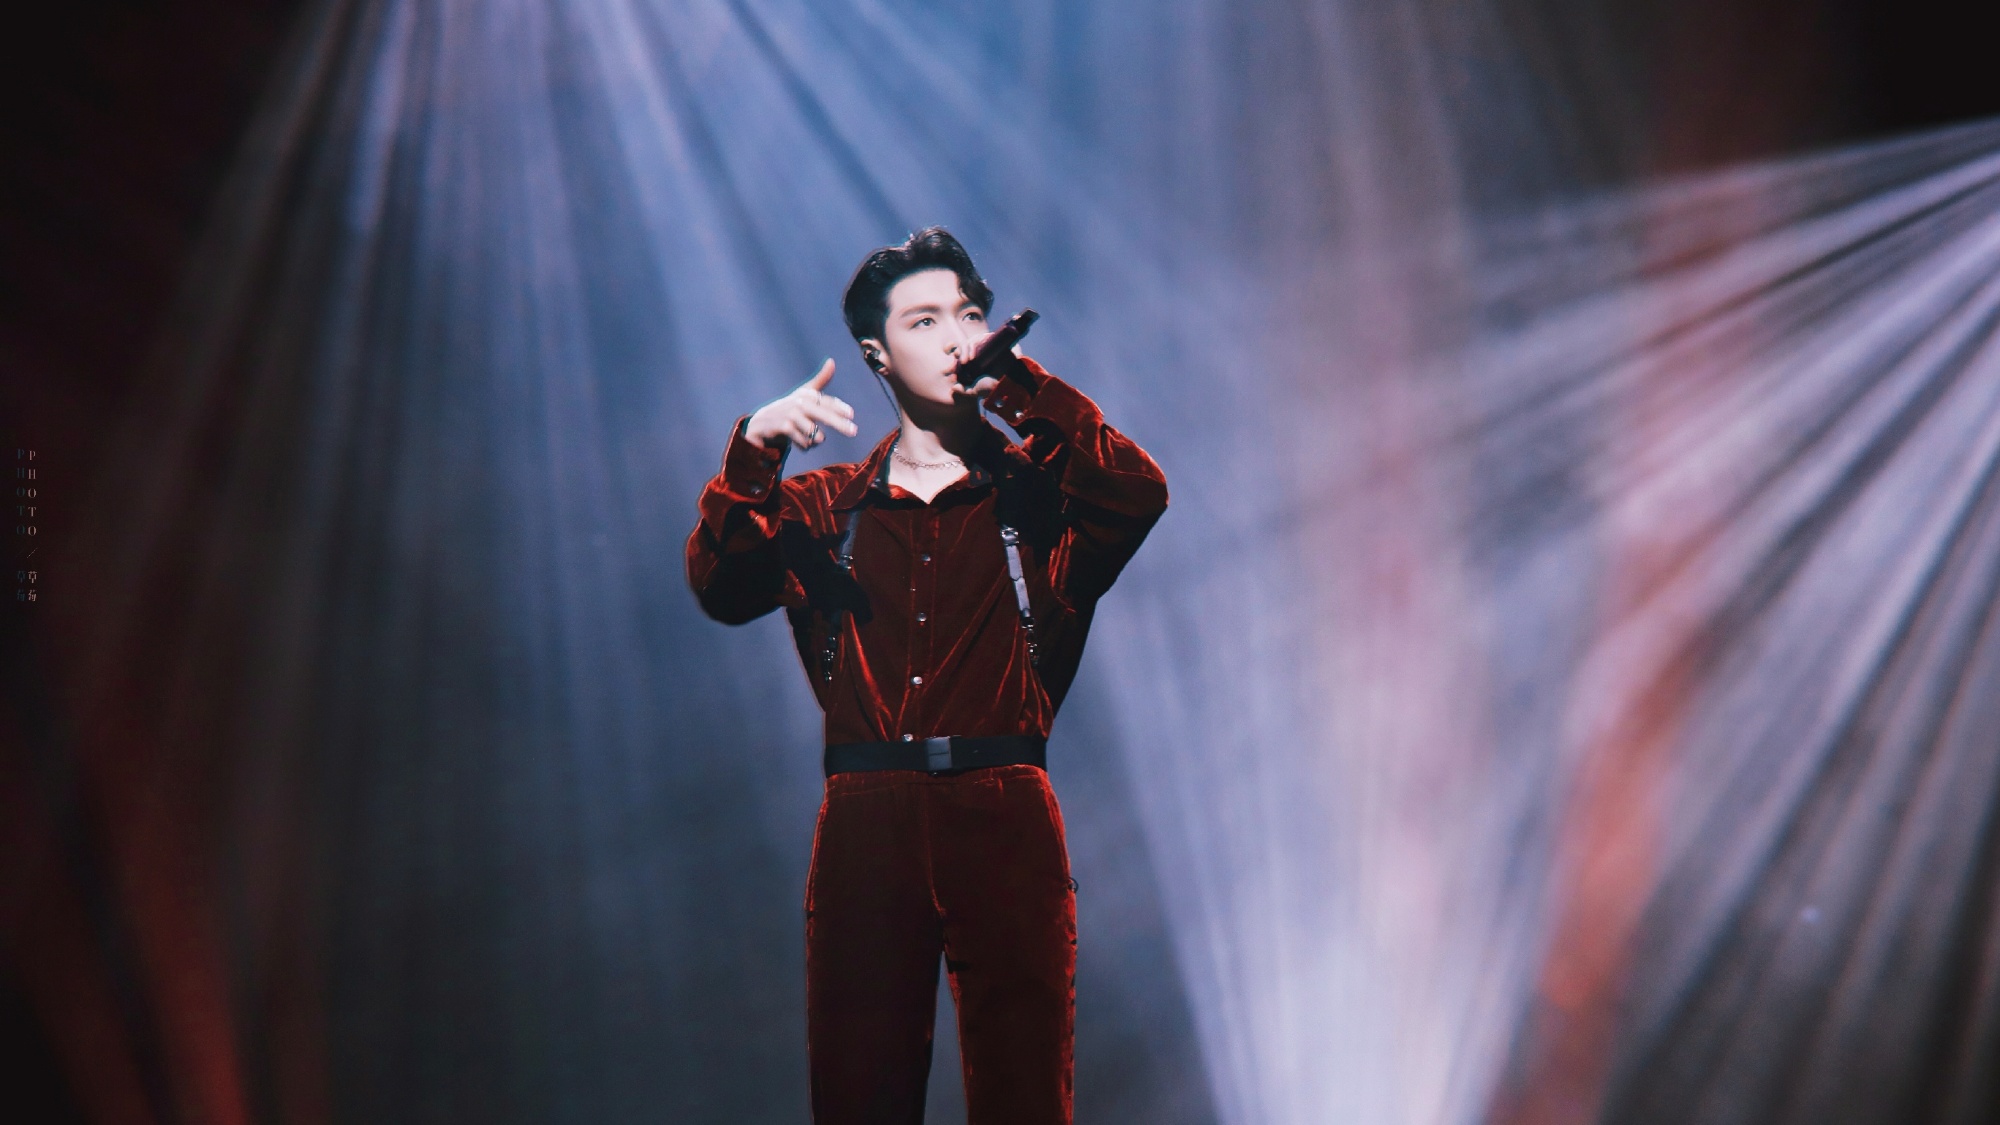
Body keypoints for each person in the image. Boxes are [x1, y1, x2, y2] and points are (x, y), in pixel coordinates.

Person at [686, 227, 1167, 1124]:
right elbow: (722, 585)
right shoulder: (824, 508)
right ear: (877, 353)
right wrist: (753, 450)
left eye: (970, 314)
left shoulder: (1040, 499)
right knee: (859, 1094)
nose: (956, 338)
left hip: (1005, 807)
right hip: (866, 818)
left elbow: (1136, 492)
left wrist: (1020, 387)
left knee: (1025, 1095)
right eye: (926, 320)